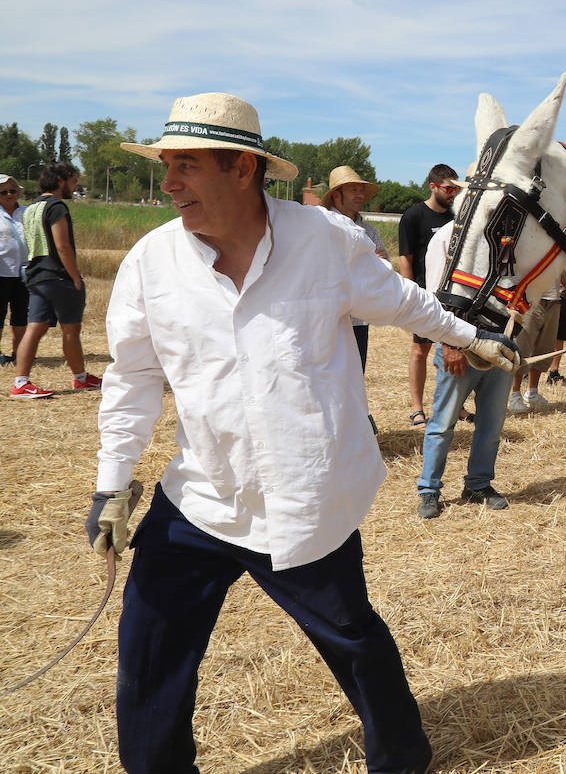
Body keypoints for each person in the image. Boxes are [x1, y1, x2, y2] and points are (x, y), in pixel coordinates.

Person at [84, 92, 519, 774]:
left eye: (186, 166)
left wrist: (472, 337)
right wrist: (112, 485)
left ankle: (402, 756)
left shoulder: (326, 241)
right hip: (202, 494)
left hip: (303, 496)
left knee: (353, 638)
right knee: (148, 646)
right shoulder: (150, 264)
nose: (168, 183)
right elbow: (133, 378)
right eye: (166, 165)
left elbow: (403, 301)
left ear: (244, 171)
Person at [415, 215, 522, 517]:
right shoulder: (448, 236)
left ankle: (478, 484)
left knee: (490, 425)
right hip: (459, 346)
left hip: (498, 344)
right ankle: (429, 490)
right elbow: (434, 298)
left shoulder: (507, 238)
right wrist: (448, 345)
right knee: (443, 423)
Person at [12, 161, 99, 398]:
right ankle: (80, 378)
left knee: (34, 328)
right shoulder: (57, 207)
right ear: (61, 181)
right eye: (73, 182)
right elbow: (62, 246)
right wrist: (75, 277)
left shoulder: (30, 209)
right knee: (70, 330)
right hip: (58, 278)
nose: (74, 187)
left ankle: (20, 382)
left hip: (36, 275)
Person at [397, 164, 458, 427]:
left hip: (455, 297)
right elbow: (405, 258)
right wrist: (411, 295)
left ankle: (457, 406)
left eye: (456, 188)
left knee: (455, 350)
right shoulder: (414, 216)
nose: (453, 193)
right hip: (425, 295)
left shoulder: (458, 216)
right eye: (448, 188)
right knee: (421, 350)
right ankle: (417, 409)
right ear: (433, 186)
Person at [319, 164, 388, 370]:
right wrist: (368, 263)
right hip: (327, 320)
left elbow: (384, 269)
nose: (360, 195)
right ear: (336, 195)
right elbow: (324, 270)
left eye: (361, 190)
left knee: (355, 381)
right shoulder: (321, 225)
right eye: (353, 190)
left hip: (358, 321)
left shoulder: (369, 230)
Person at [508, 284, 563, 413]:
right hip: (530, 302)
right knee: (521, 349)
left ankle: (532, 392)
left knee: (545, 348)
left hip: (554, 303)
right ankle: (515, 395)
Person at [0, 175, 27, 366]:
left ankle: (19, 352)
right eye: (4, 192)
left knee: (20, 315)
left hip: (24, 272)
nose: (9, 194)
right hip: (1, 272)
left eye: (13, 191)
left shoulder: (27, 213)